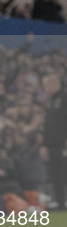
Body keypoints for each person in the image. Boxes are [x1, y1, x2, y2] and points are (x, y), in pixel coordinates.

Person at [41, 74, 67, 209]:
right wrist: (44, 145)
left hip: (63, 143)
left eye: (45, 85)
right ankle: (61, 204)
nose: (44, 88)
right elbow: (48, 125)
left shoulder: (64, 99)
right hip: (53, 145)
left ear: (53, 83)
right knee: (56, 175)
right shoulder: (50, 100)